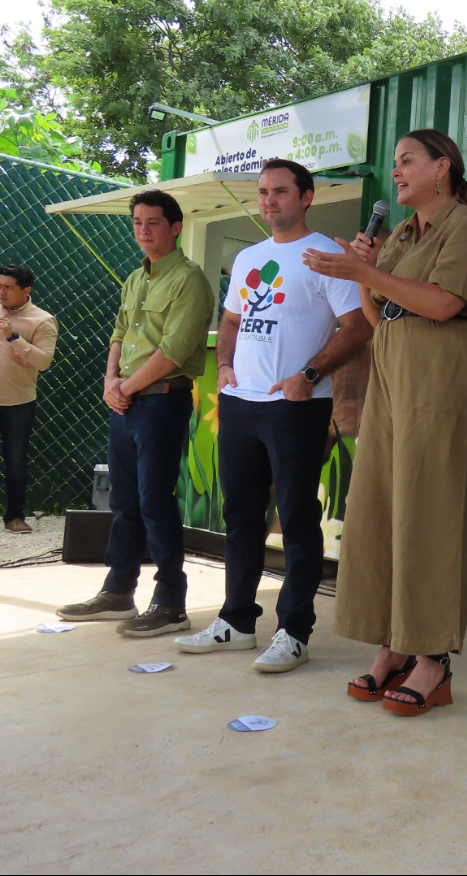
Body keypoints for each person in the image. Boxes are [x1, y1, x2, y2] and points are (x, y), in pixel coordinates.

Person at [303, 129, 467, 715]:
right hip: (392, 370)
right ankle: (393, 644)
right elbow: (380, 313)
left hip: (439, 373)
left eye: (408, 161)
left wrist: (366, 272)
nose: (397, 172)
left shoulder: (465, 225)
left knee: (429, 510)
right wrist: (367, 271)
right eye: (394, 164)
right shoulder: (404, 233)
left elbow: (441, 303)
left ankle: (433, 658)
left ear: (444, 168)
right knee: (384, 506)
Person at [174, 159, 370, 672]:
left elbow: (357, 327)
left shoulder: (329, 255)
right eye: (262, 192)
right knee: (240, 516)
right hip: (242, 405)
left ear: (306, 197)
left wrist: (308, 375)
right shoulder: (249, 259)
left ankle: (293, 632)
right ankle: (237, 622)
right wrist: (221, 365)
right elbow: (233, 318)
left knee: (299, 519)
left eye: (280, 192)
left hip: (297, 407)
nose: (268, 201)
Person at [57, 190, 215, 637]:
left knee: (154, 500)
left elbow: (175, 350)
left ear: (176, 227)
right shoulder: (136, 277)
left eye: (153, 223)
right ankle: (118, 591)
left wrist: (123, 387)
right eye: (137, 223)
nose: (143, 231)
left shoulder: (189, 279)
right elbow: (119, 333)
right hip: (127, 402)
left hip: (162, 401)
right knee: (124, 500)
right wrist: (111, 382)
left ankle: (170, 602)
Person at [0, 265, 59, 533]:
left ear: (26, 291)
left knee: (16, 460)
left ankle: (14, 517)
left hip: (17, 401)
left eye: (8, 287)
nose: (1, 291)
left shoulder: (42, 320)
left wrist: (14, 338)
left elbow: (44, 361)